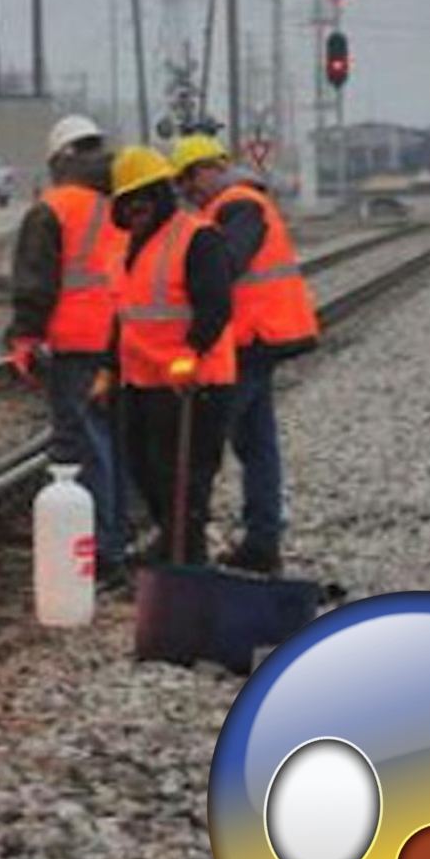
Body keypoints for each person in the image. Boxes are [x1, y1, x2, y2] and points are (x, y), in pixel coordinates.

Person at [172, 136, 321, 575]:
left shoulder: (238, 204)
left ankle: (185, 544)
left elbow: (224, 266)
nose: (186, 192)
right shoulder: (236, 204)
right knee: (256, 445)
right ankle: (262, 542)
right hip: (259, 337)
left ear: (207, 168)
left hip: (252, 338)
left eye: (187, 181)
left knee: (206, 441)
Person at [4, 115, 132, 589]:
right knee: (115, 448)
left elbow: (36, 283)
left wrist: (24, 338)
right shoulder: (119, 201)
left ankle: (99, 553)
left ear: (60, 159)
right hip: (122, 344)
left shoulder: (53, 209)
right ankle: (115, 542)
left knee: (85, 450)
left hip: (76, 345)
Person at [109, 145, 238, 566]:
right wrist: (110, 369)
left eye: (144, 198)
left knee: (186, 478)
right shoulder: (134, 248)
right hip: (143, 382)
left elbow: (215, 306)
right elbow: (128, 317)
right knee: (146, 471)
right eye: (128, 202)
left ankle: (188, 561)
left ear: (161, 196)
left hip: (193, 384)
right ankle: (173, 544)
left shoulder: (198, 237)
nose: (136, 209)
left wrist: (191, 354)